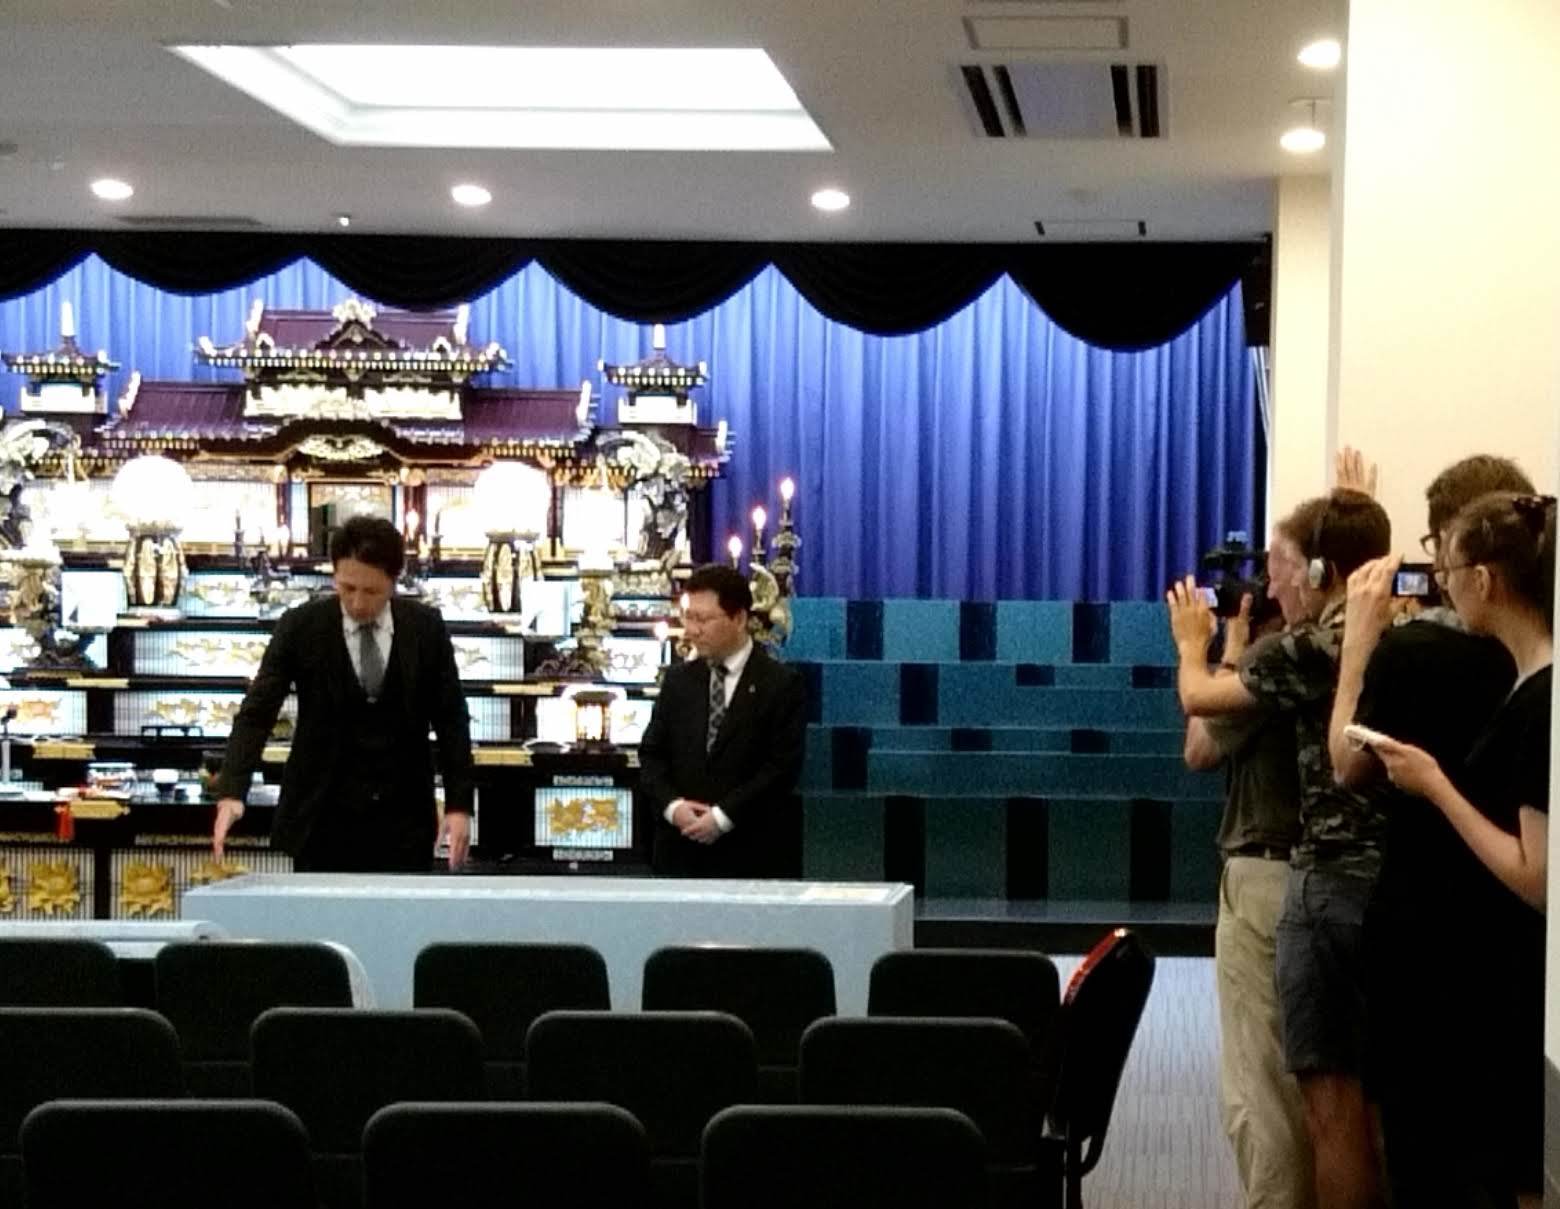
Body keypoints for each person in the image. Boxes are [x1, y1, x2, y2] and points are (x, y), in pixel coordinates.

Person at [1169, 486, 1392, 1209]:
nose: (1273, 585)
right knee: (1353, 1100)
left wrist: (1203, 645)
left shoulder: (1291, 654)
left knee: (1269, 1094)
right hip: (1361, 884)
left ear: (1323, 571)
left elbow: (1200, 737)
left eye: (1282, 567)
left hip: (1279, 878)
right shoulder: (1384, 633)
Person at [1325, 455, 1533, 1207]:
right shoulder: (1529, 666)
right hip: (1517, 945)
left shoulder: (1415, 653)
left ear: (1460, 552)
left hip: (1424, 933)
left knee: (1418, 1152)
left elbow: (1347, 762)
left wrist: (1360, 644)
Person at [211, 515, 474, 873]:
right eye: (347, 588)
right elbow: (258, 712)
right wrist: (232, 791)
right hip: (321, 817)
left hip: (403, 822)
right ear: (334, 574)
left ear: (394, 581)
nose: (358, 603)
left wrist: (459, 805)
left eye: (371, 591)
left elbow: (451, 718)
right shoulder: (301, 626)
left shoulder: (425, 628)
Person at [1183, 593, 1313, 1209]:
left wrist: (1215, 649)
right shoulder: (1331, 649)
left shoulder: (1277, 660)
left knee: (1260, 1086)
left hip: (1265, 876)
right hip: (1298, 876)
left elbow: (1200, 747)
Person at [639, 563, 806, 878]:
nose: (692, 630)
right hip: (679, 854)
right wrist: (674, 808)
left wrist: (722, 817)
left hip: (751, 855)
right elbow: (651, 755)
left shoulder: (781, 685)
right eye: (688, 617)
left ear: (739, 619)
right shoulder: (678, 681)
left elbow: (781, 768)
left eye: (703, 619)